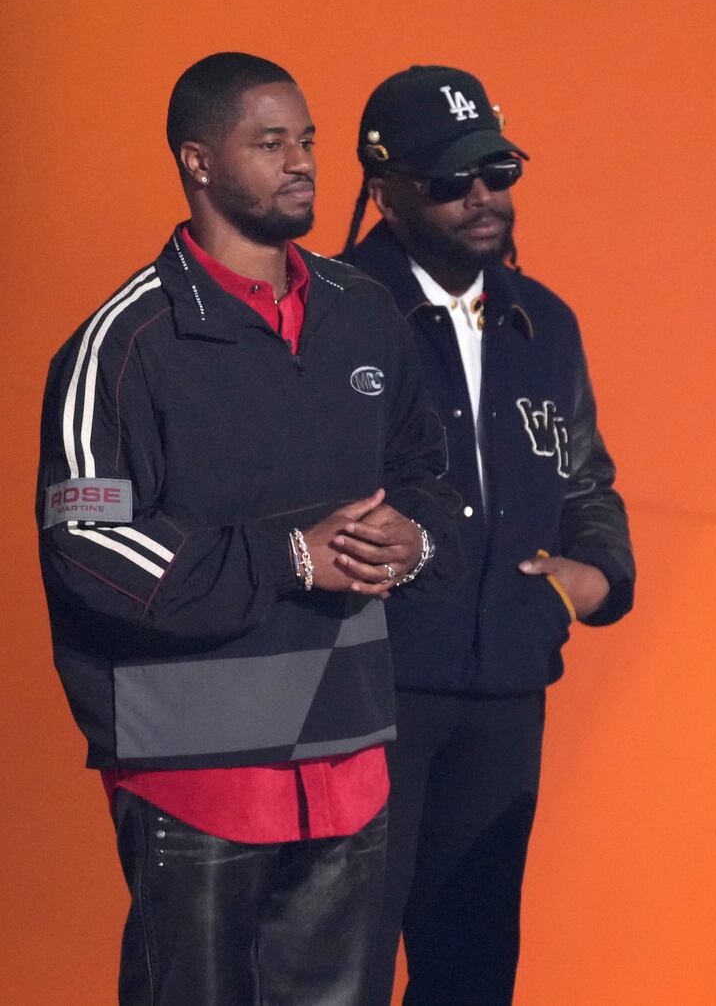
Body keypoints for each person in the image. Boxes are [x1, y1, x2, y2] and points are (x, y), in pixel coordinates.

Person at [35, 52, 457, 1006]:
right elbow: (89, 550)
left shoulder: (363, 313)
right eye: (270, 143)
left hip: (350, 764)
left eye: (305, 140)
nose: (301, 161)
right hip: (194, 779)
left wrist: (417, 540)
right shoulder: (123, 343)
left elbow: (428, 475)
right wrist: (289, 556)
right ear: (198, 161)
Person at [342, 65, 635, 1006]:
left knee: (472, 970)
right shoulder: (339, 308)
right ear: (383, 188)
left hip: (506, 691)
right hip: (365, 690)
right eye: (450, 180)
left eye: (497, 171)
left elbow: (586, 476)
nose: (482, 197)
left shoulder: (541, 319)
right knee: (339, 965)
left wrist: (591, 577)